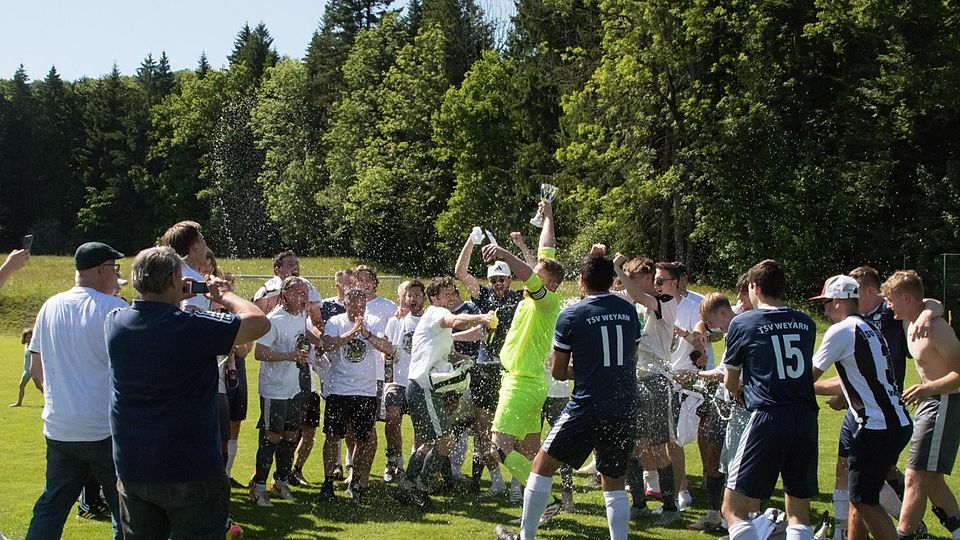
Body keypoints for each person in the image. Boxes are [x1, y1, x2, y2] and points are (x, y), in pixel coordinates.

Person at [104, 246, 267, 539]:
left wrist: (175, 296)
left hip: (133, 466)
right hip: (190, 467)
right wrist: (222, 294)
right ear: (172, 280)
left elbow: (155, 320)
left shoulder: (115, 323)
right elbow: (258, 322)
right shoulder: (191, 327)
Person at [495, 252, 640, 540]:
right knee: (613, 482)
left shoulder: (571, 314)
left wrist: (580, 369)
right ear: (612, 281)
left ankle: (526, 536)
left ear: (581, 281)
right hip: (624, 405)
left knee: (541, 466)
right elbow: (629, 359)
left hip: (587, 405)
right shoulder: (628, 312)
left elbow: (560, 372)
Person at [825, 266, 942, 540]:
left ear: (868, 290)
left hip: (883, 409)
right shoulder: (859, 321)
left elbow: (929, 303)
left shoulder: (891, 313)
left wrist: (925, 313)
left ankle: (909, 522)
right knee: (853, 477)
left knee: (873, 483)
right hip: (863, 408)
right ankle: (845, 531)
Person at [24, 242, 129, 540]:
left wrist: (59, 400)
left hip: (60, 428)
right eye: (114, 268)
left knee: (51, 506)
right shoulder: (114, 308)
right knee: (124, 510)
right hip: (103, 430)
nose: (116, 274)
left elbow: (35, 367)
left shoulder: (50, 305)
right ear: (100, 270)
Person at [809, 274, 912, 540]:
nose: (825, 310)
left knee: (865, 501)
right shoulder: (869, 328)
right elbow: (857, 379)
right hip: (894, 422)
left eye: (827, 303)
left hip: (877, 426)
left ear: (840, 302)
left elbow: (808, 375)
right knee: (859, 496)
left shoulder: (841, 330)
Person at [722, 259, 819, 540]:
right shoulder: (806, 323)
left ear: (754, 286)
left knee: (734, 509)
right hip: (805, 416)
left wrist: (738, 392)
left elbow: (731, 378)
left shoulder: (743, 322)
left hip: (768, 415)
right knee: (799, 511)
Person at [478, 202, 564, 508]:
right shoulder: (542, 295)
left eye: (539, 276)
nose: (532, 278)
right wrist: (549, 216)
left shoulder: (546, 301)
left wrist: (503, 254)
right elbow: (545, 250)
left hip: (521, 384)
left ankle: (547, 500)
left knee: (498, 448)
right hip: (530, 383)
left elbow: (529, 273)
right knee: (530, 451)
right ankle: (541, 507)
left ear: (549, 284)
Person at [394, 277, 491, 508]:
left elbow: (448, 354)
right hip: (424, 387)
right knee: (445, 439)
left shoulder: (437, 324)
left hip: (424, 387)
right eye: (447, 294)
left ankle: (406, 488)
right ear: (435, 298)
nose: (452, 298)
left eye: (453, 293)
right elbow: (455, 319)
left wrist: (464, 361)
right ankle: (421, 488)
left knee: (426, 443)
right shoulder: (436, 313)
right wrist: (482, 317)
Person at [882, 271, 960, 540]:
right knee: (932, 479)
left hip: (944, 401)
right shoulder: (910, 319)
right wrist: (927, 310)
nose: (888, 305)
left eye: (892, 300)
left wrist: (927, 388)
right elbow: (929, 302)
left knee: (915, 475)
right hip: (930, 403)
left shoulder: (936, 328)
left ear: (906, 298)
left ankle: (903, 535)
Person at [611, 254, 681, 525]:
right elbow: (615, 294)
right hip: (633, 380)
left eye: (632, 275)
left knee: (657, 446)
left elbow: (638, 297)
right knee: (631, 445)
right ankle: (639, 504)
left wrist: (617, 267)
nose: (626, 279)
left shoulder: (665, 301)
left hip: (655, 380)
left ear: (647, 277)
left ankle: (670, 507)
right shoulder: (636, 299)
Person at [455, 235, 525, 496]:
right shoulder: (483, 297)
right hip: (485, 369)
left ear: (510, 280)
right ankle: (496, 481)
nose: (498, 284)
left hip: (509, 370)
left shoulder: (520, 298)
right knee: (484, 428)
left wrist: (513, 251)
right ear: (489, 281)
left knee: (514, 429)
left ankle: (517, 485)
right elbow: (460, 272)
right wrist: (471, 242)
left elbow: (537, 274)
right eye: (493, 280)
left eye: (502, 279)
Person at [251, 277, 321, 507]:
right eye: (299, 293)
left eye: (306, 293)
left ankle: (280, 482)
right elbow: (259, 353)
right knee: (272, 436)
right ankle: (258, 486)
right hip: (275, 388)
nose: (304, 298)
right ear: (285, 294)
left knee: (291, 435)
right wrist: (289, 356)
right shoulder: (273, 320)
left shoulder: (301, 316)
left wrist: (316, 343)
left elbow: (301, 338)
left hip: (295, 386)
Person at [319, 288, 393, 503]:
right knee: (333, 437)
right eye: (355, 304)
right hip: (339, 389)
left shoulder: (374, 321)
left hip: (365, 391)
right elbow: (327, 345)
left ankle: (357, 480)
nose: (359, 308)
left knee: (366, 438)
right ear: (346, 303)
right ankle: (327, 482)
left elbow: (387, 348)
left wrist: (367, 334)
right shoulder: (335, 321)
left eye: (363, 304)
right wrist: (351, 333)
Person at [382, 280, 426, 481]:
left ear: (423, 297)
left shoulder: (429, 320)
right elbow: (386, 349)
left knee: (421, 427)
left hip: (421, 381)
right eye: (409, 295)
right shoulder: (396, 321)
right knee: (391, 417)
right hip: (398, 380)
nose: (413, 298)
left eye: (417, 294)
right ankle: (394, 460)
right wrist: (388, 356)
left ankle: (414, 466)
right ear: (403, 298)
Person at [160, 220, 213, 311]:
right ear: (195, 248)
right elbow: (191, 314)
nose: (206, 249)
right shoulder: (194, 279)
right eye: (203, 240)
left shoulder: (171, 273)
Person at [11, 327, 40, 407]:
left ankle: (50, 403)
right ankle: (19, 402)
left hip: (33, 370)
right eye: (27, 337)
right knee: (21, 385)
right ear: (24, 338)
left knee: (39, 386)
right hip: (27, 370)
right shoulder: (26, 345)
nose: (29, 339)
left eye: (31, 337)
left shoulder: (35, 347)